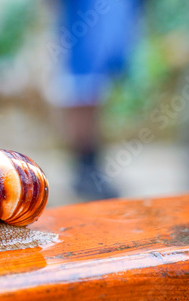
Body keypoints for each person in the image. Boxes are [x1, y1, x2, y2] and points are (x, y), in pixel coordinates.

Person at [49, 0, 142, 199]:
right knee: (81, 92)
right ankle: (85, 170)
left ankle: (91, 169)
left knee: (95, 92)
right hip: (82, 24)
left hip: (107, 22)